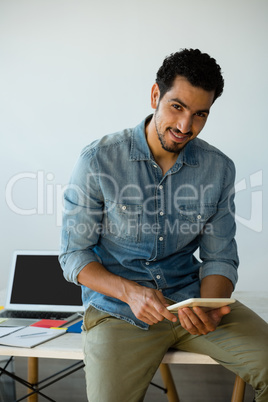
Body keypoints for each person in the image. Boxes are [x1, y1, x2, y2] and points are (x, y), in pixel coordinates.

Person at [59, 48, 268, 401]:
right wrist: (130, 292)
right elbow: (73, 255)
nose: (186, 126)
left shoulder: (219, 169)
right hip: (118, 313)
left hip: (192, 301)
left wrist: (208, 304)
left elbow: (220, 258)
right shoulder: (98, 159)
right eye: (177, 107)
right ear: (156, 95)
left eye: (200, 114)